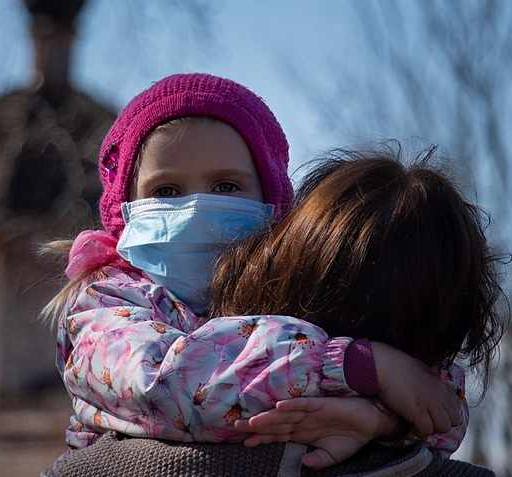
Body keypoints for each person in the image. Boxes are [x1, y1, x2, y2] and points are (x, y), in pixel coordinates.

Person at [43, 73, 463, 454]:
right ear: (125, 209)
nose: (194, 210)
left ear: (272, 205)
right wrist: (350, 367)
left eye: (226, 186)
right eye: (167, 190)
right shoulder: (102, 305)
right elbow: (163, 385)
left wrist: (378, 421)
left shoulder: (288, 292)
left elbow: (436, 402)